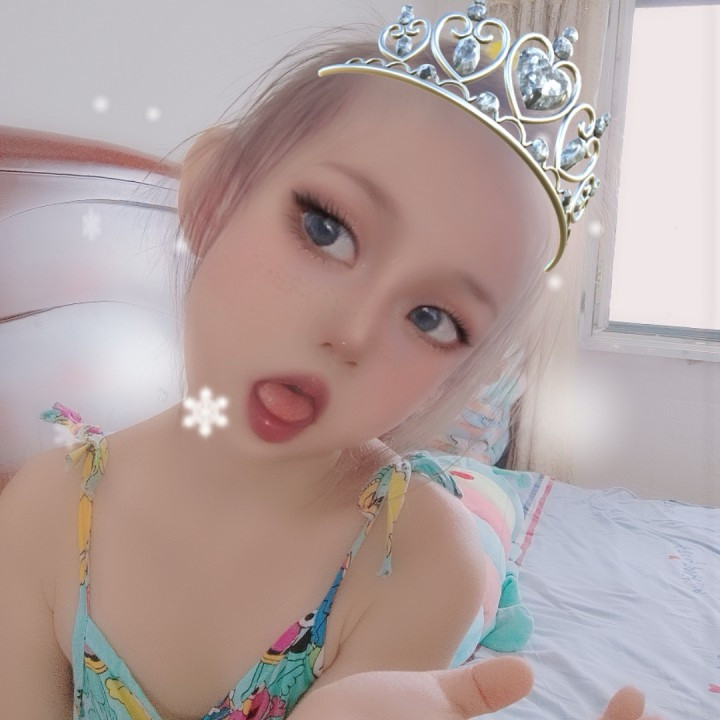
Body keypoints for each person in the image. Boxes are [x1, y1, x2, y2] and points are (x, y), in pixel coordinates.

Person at [0, 2, 663, 719]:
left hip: (439, 521)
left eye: (430, 318)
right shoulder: (42, 515)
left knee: (479, 521)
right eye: (326, 229)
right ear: (215, 195)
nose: (352, 334)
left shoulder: (423, 562)